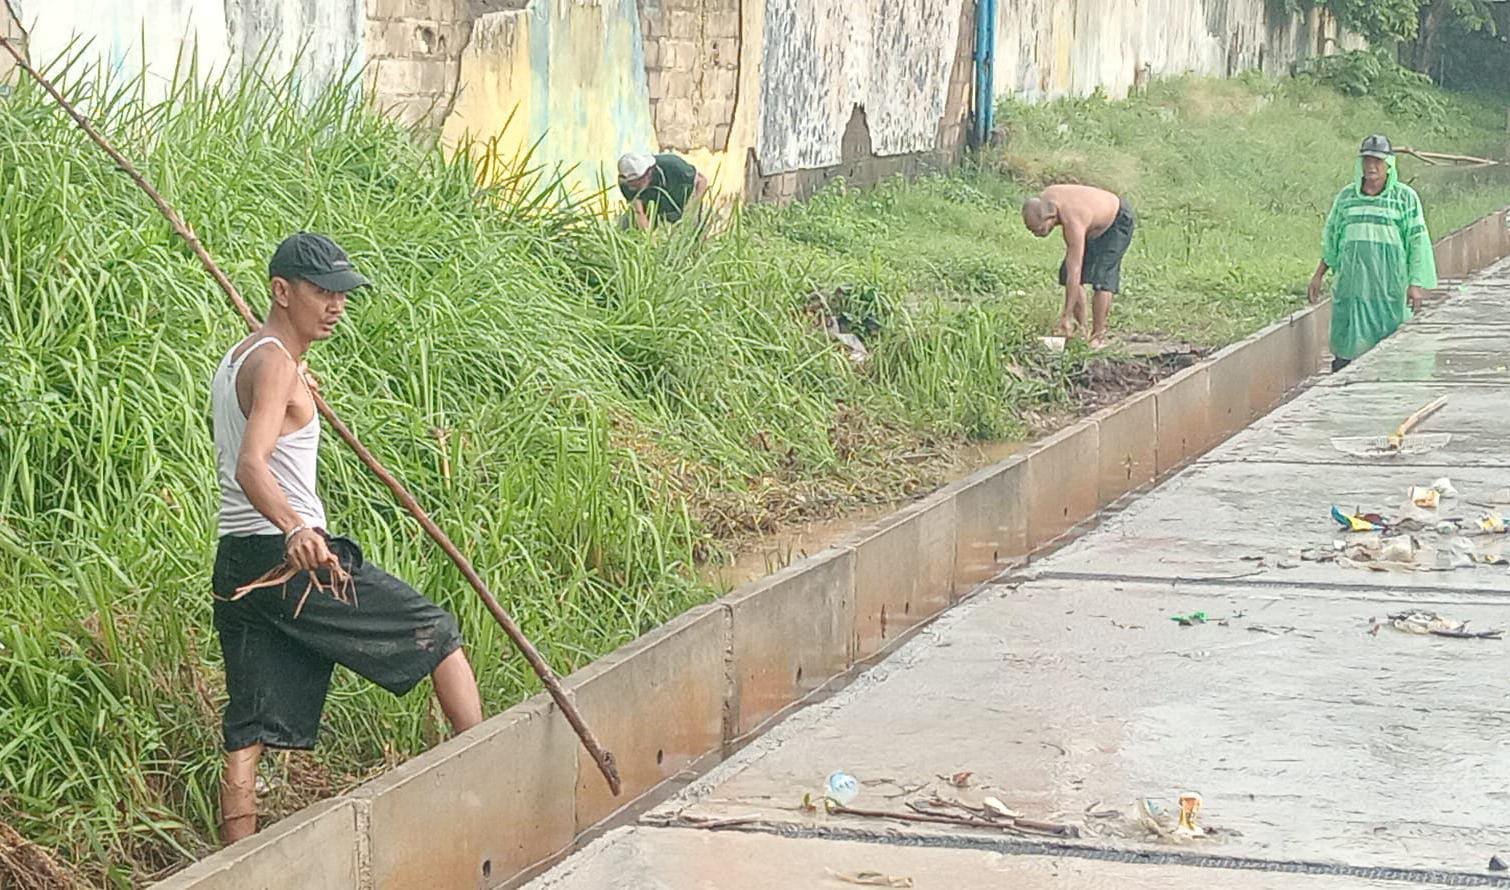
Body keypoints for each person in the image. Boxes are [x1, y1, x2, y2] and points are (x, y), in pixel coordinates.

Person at [210, 232, 483, 843]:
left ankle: (236, 860)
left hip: (236, 560)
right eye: (321, 291)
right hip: (289, 560)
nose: (335, 305)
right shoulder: (277, 362)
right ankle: (489, 773)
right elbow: (252, 465)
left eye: (341, 294)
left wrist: (300, 393)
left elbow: (266, 431)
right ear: (281, 291)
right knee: (435, 631)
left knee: (248, 722)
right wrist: (297, 528)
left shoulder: (245, 356)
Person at [1308, 134, 1437, 371]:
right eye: (1367, 160)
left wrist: (1416, 284)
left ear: (1389, 165)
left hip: (1388, 285)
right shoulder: (1347, 197)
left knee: (1389, 340)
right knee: (1348, 338)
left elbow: (1417, 242)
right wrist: (1319, 274)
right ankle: (1344, 382)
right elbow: (1332, 238)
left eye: (1377, 161)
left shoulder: (1404, 198)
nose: (1371, 166)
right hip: (1353, 285)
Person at [1022, 184, 1136, 349]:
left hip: (1117, 220)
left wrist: (1065, 315)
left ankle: (1098, 336)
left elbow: (1075, 270)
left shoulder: (1073, 220)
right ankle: (1081, 331)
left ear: (1050, 217)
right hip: (1094, 223)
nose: (1037, 234)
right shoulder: (1048, 197)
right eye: (1031, 230)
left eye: (1039, 229)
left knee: (1102, 278)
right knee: (1067, 273)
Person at [618, 151, 708, 230]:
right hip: (657, 209)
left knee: (691, 232)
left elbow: (701, 180)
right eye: (631, 183)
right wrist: (648, 239)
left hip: (685, 202)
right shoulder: (625, 184)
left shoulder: (673, 165)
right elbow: (639, 212)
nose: (633, 187)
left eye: (636, 183)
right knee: (626, 224)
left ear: (648, 173)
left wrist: (693, 207)